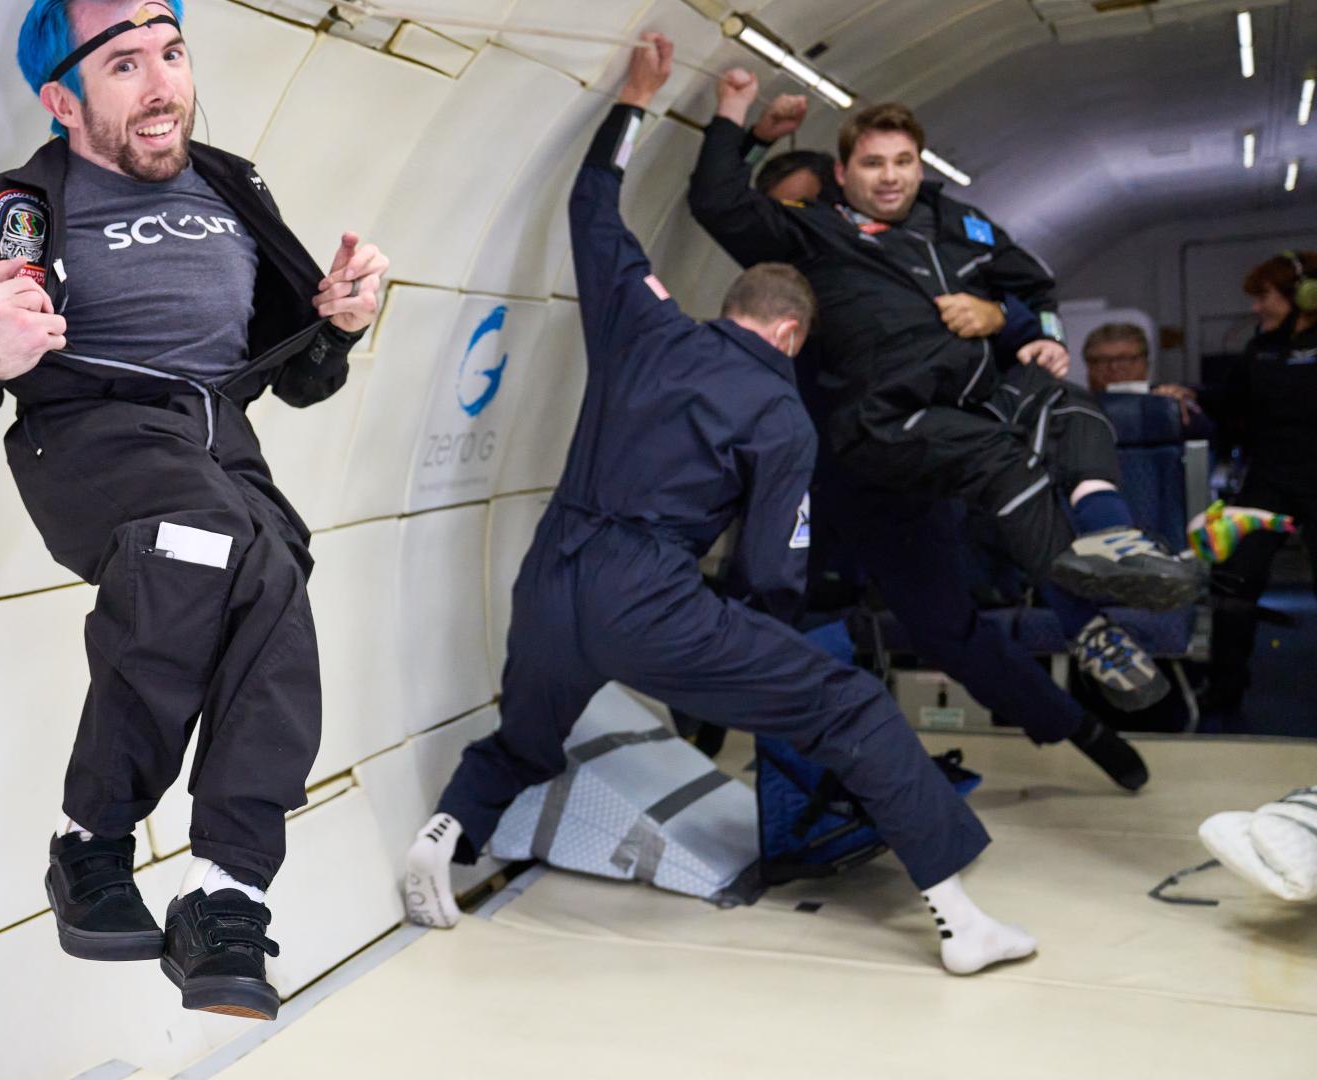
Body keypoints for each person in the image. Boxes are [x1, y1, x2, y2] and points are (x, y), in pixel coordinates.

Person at [401, 36, 1035, 977]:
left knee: (529, 737)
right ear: (789, 330)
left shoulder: (643, 321)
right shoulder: (784, 415)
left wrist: (634, 100)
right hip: (651, 603)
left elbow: (593, 207)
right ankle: (959, 920)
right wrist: (751, 657)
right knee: (852, 707)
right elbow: (770, 571)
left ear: (731, 304)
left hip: (551, 579)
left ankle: (446, 840)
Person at [0, 0, 388, 1021]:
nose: (164, 87)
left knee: (277, 576)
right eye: (125, 66)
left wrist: (341, 321)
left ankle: (222, 896)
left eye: (173, 53)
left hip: (219, 439)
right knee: (204, 541)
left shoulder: (234, 187)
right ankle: (96, 833)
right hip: (91, 434)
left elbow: (301, 378)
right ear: (62, 99)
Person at [690, 73, 1205, 739]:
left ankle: (1086, 710)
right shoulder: (809, 244)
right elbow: (722, 203)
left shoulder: (945, 233)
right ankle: (703, 728)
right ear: (842, 177)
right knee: (760, 593)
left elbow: (1025, 301)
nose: (887, 177)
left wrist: (1007, 320)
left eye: (901, 162)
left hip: (927, 449)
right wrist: (745, 125)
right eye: (872, 164)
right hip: (834, 461)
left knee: (951, 610)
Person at [1203, 252, 1317, 718]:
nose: (1256, 308)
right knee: (1234, 580)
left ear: (1302, 295)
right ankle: (1224, 691)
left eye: (1264, 297)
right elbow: (1226, 404)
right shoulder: (1260, 348)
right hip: (1268, 479)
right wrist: (1185, 396)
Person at [1083, 323, 1212, 437]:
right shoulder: (1077, 408)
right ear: (1089, 366)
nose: (1114, 367)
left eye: (1125, 358)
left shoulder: (1167, 402)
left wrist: (1180, 405)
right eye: (1102, 360)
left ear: (1146, 363)